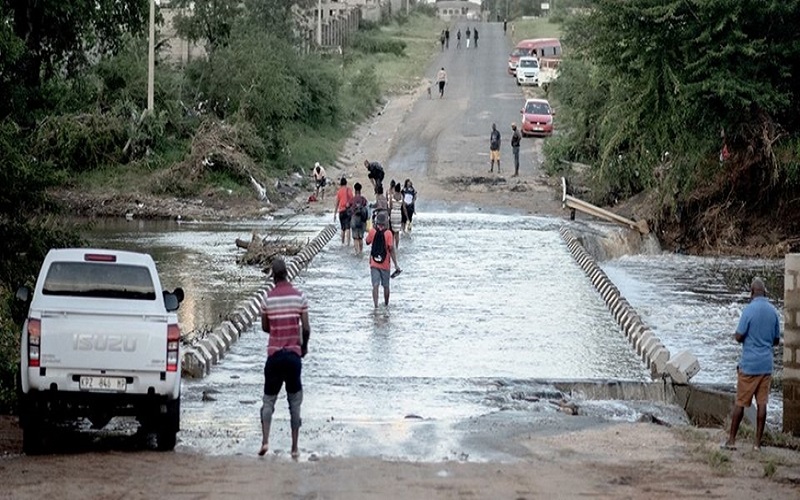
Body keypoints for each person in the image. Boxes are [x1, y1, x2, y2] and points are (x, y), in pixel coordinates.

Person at [258, 257, 310, 458]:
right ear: (287, 273)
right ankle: (295, 447)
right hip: (293, 357)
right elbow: (305, 327)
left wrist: (276, 329)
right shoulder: (299, 297)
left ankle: (265, 442)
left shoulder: (268, 299)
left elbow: (264, 326)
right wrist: (303, 347)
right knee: (294, 402)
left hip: (274, 355)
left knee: (268, 401)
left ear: (273, 277)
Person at [723, 277, 781, 451]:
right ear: (765, 292)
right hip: (766, 365)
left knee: (740, 402)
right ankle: (757, 444)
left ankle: (732, 441)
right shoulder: (773, 312)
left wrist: (742, 337)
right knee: (762, 403)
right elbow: (776, 340)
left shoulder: (748, 310)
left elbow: (739, 336)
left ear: (751, 293)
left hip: (749, 365)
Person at [366, 212, 401, 308]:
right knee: (386, 286)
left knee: (375, 286)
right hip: (385, 264)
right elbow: (391, 249)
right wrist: (396, 264)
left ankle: (376, 307)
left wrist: (372, 229)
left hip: (373, 263)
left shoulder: (372, 231)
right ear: (385, 223)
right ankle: (386, 305)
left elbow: (367, 242)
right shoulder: (389, 233)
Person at [350, 182, 369, 255]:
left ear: (355, 190)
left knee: (355, 237)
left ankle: (356, 252)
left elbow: (347, 205)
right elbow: (367, 208)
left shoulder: (353, 199)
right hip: (362, 221)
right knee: (360, 237)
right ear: (360, 190)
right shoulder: (363, 199)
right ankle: (361, 252)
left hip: (354, 219)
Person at [333, 177, 353, 246]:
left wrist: (335, 214)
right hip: (348, 211)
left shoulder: (339, 191)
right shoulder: (349, 190)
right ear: (346, 183)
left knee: (342, 228)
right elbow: (352, 200)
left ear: (341, 184)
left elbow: (337, 203)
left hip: (341, 211)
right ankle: (348, 243)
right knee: (348, 228)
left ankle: (342, 243)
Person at [389, 182, 406, 250]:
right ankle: (397, 247)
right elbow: (404, 207)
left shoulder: (392, 196)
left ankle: (392, 246)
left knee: (392, 231)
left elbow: (390, 206)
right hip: (399, 214)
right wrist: (406, 217)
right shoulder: (402, 196)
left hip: (393, 213)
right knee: (397, 232)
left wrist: (389, 214)